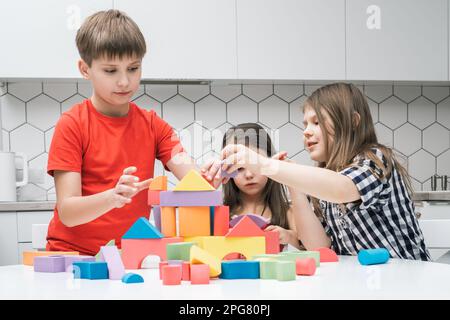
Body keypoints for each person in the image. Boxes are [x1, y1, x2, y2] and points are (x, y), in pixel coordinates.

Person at [213, 83, 431, 261]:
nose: (306, 131)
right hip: (360, 285)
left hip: (406, 279)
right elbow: (319, 246)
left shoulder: (375, 159)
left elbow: (342, 188)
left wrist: (266, 165)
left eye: (316, 122)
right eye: (305, 124)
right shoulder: (325, 179)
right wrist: (295, 187)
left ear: (353, 122)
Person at [46, 10, 197, 256]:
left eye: (133, 68)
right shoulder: (72, 124)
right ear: (85, 69)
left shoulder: (153, 125)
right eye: (110, 71)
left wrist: (212, 176)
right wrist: (112, 198)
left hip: (129, 256)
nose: (125, 81)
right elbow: (68, 212)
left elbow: (190, 173)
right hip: (73, 256)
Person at [206, 123, 302, 250]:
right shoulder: (222, 213)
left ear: (269, 162)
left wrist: (288, 236)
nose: (249, 174)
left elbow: (305, 246)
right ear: (227, 169)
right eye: (239, 168)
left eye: (256, 165)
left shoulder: (289, 212)